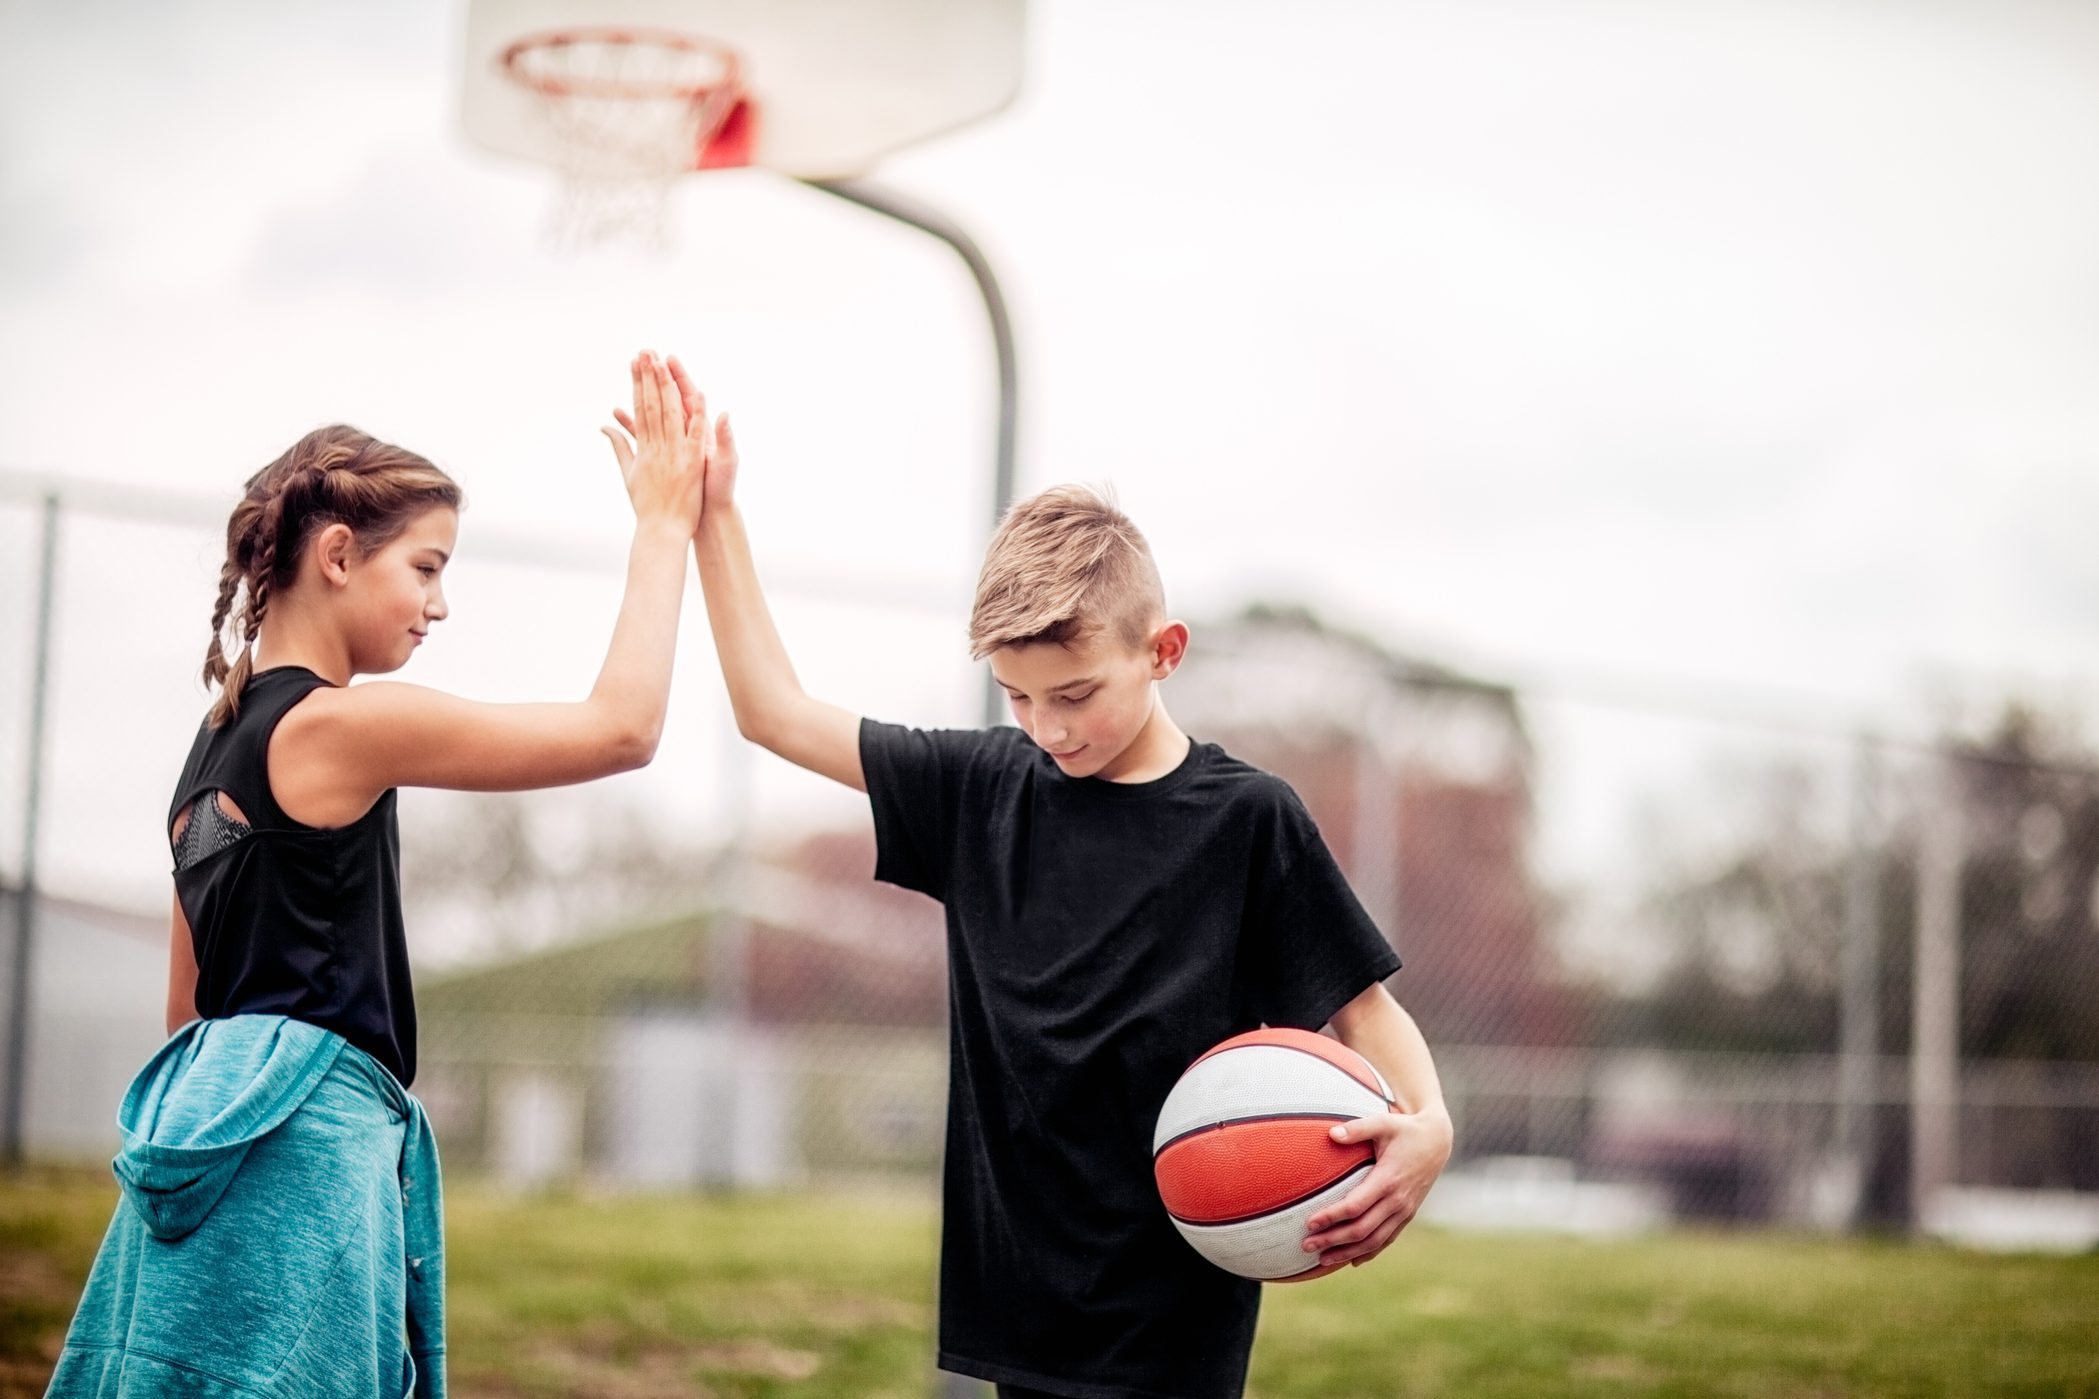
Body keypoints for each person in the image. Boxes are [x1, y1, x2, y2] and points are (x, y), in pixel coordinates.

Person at [679, 369, 1454, 1399]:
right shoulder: (979, 789)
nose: (1046, 728)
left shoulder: (1244, 819)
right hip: (1020, 1307)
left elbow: (1361, 1007)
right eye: (1017, 697)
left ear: (1161, 651)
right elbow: (772, 710)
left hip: (1176, 1310)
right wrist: (713, 515)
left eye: (1075, 694)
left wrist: (1429, 1124)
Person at [45, 352, 717, 1399]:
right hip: (307, 1157)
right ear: (340, 554)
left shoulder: (206, 756)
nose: (438, 604)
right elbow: (622, 728)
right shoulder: (339, 723)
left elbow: (188, 1013)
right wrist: (664, 526)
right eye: (428, 566)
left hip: (208, 1154)